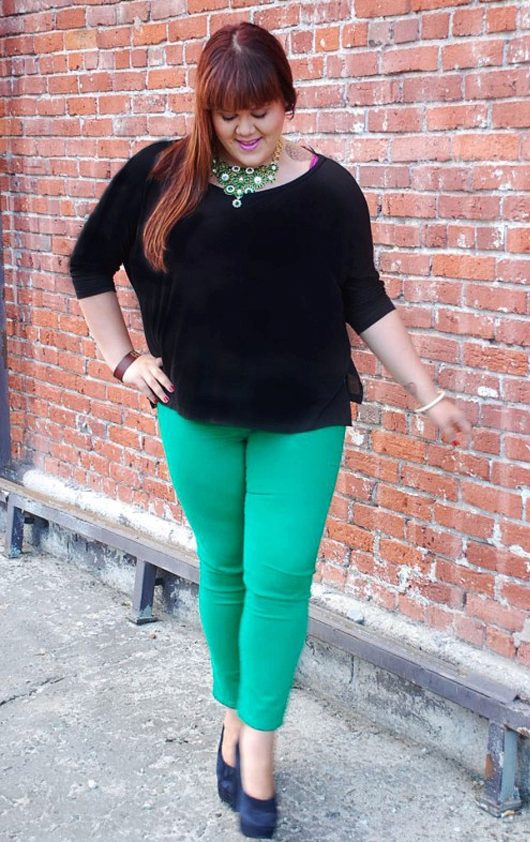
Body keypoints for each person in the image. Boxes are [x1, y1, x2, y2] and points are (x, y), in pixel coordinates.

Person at [68, 20, 472, 840]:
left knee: (280, 578)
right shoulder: (158, 176)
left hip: (305, 417)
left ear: (288, 103)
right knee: (225, 571)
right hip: (196, 415)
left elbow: (365, 297)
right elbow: (88, 265)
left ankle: (258, 748)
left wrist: (426, 392)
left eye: (262, 111)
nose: (247, 129)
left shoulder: (330, 192)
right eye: (229, 116)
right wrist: (123, 362)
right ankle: (233, 715)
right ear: (206, 111)